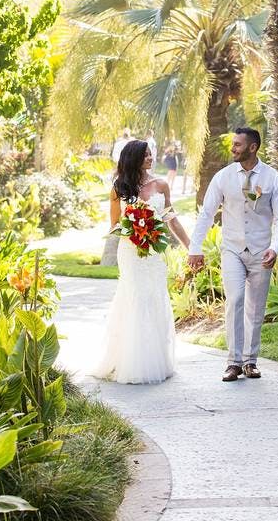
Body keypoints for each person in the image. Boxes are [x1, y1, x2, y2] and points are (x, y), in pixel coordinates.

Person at [188, 128, 278, 382]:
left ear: (253, 147)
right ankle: (233, 362)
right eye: (233, 144)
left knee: (255, 308)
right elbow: (207, 213)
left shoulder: (272, 179)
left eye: (237, 144)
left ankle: (250, 361)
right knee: (235, 300)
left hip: (261, 251)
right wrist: (195, 248)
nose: (233, 148)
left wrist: (275, 247)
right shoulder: (223, 177)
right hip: (232, 250)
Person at [93, 140, 191, 384]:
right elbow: (114, 225)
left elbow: (170, 218)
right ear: (133, 158)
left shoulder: (161, 185)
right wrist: (136, 231)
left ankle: (156, 360)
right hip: (130, 251)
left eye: (151, 154)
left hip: (154, 254)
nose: (150, 158)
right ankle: (132, 362)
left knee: (154, 297)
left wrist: (192, 246)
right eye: (146, 155)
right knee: (136, 296)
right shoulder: (119, 188)